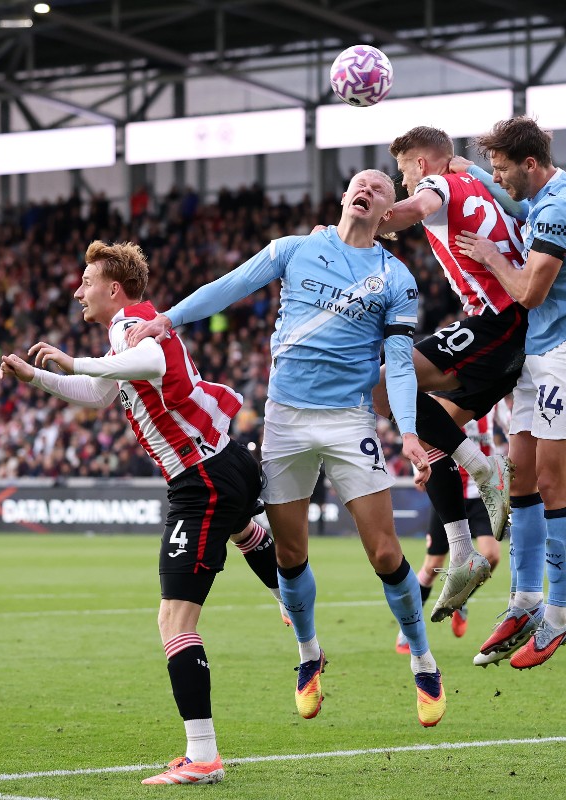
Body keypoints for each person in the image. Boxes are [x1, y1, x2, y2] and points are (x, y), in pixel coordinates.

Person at [124, 170, 446, 728]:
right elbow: (231, 284)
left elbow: (397, 360)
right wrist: (165, 320)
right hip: (287, 421)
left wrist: (410, 432)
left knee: (386, 554)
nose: (368, 188)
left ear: (389, 212)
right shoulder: (296, 249)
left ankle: (423, 660)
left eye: (381, 187)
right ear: (345, 195)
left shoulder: (396, 278)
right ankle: (308, 655)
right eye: (360, 182)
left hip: (349, 421)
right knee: (290, 555)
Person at [0, 240, 284, 785]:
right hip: (221, 463)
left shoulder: (133, 321)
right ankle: (291, 599)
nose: (78, 290)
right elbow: (99, 392)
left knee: (174, 620)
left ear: (112, 289)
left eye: (86, 282)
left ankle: (203, 757)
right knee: (244, 530)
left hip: (201, 476)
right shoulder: (129, 327)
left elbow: (148, 360)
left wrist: (74, 359)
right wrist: (36, 378)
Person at [454, 116, 566, 670]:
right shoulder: (546, 194)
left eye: (501, 168)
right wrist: (469, 170)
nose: (498, 178)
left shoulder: (562, 207)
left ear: (529, 164)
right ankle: (524, 600)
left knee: (551, 481)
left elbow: (528, 290)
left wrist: (489, 255)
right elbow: (515, 205)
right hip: (541, 356)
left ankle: (558, 617)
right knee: (519, 475)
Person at [375, 125, 521, 624]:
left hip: (497, 321)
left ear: (420, 164)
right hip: (513, 332)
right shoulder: (480, 184)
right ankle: (461, 552)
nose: (401, 180)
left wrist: (360, 223)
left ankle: (486, 470)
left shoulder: (434, 185)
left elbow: (414, 209)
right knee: (432, 427)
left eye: (401, 170)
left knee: (384, 384)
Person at [395, 409, 505, 653]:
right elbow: (427, 430)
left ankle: (460, 599)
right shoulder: (450, 401)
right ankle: (408, 626)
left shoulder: (493, 401)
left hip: (479, 495)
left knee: (492, 556)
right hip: (449, 491)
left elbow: (506, 429)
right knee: (432, 565)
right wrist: (420, 470)